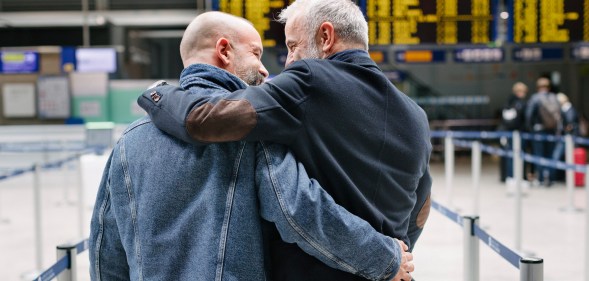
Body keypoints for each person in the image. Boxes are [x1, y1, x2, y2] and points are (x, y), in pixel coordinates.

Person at [90, 11, 413, 281]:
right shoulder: (252, 134)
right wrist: (384, 257)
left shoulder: (130, 140)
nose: (266, 68)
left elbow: (107, 246)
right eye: (256, 53)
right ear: (224, 50)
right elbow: (301, 212)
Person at [525, 77, 561, 186]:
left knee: (538, 155)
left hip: (538, 131)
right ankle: (550, 178)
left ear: (538, 87)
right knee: (550, 155)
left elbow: (529, 115)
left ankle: (540, 179)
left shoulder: (535, 98)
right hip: (551, 131)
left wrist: (530, 129)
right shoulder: (554, 98)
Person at [500, 82, 528, 182]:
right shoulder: (521, 103)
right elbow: (525, 119)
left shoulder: (508, 102)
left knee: (510, 156)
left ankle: (509, 177)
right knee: (519, 156)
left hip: (508, 133)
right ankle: (518, 176)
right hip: (519, 133)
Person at [550, 93, 580, 180]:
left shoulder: (568, 110)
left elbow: (569, 125)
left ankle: (554, 177)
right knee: (564, 158)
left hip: (568, 138)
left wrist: (563, 130)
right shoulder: (567, 109)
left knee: (557, 156)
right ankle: (561, 177)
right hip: (568, 137)